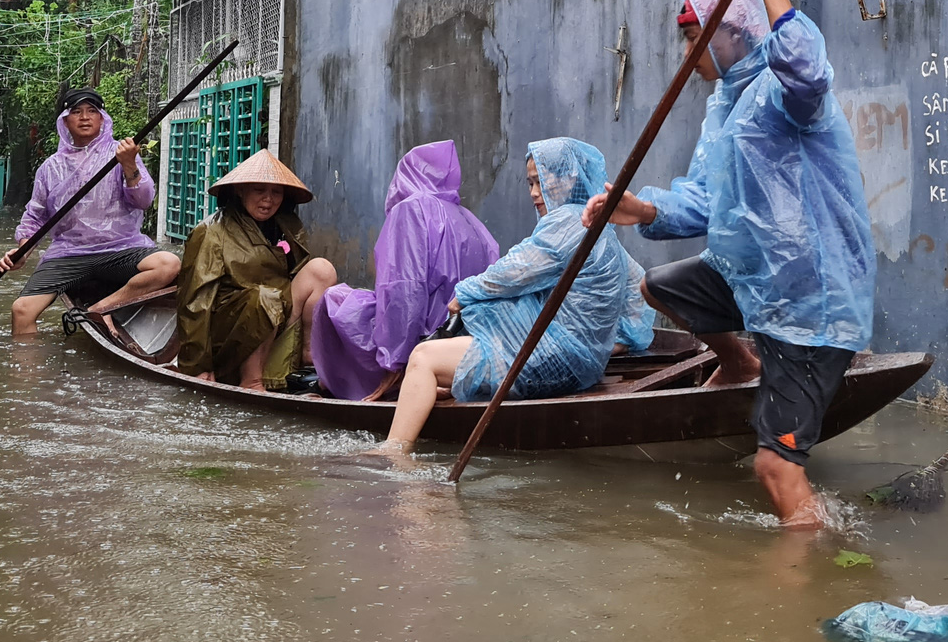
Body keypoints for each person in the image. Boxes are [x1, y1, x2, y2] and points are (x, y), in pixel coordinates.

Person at [585, 0, 875, 528]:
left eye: (696, 38)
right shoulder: (725, 105)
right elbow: (706, 199)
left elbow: (808, 71)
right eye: (686, 40)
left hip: (806, 303)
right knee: (659, 285)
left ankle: (801, 589)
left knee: (775, 469)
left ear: (735, 30)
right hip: (752, 281)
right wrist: (639, 209)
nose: (688, 54)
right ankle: (742, 363)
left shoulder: (781, 85)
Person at [374, 138, 651, 454]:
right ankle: (445, 383)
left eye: (541, 181)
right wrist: (605, 344)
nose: (534, 193)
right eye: (530, 183)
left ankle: (393, 453)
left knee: (423, 358)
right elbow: (637, 288)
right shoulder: (600, 227)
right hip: (583, 364)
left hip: (555, 359)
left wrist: (463, 294)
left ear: (570, 178)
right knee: (447, 358)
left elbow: (515, 271)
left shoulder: (569, 222)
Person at [309, 141, 501, 401]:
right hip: (462, 338)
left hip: (421, 339)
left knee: (333, 300)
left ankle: (342, 384)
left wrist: (394, 362)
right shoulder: (472, 221)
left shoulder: (410, 210)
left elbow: (404, 291)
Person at [0, 89, 180, 335]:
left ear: (102, 118)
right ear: (64, 120)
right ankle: (28, 374)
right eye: (76, 111)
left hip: (120, 248)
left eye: (92, 111)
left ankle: (99, 309)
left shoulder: (121, 153)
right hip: (69, 254)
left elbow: (144, 200)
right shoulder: (50, 168)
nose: (85, 117)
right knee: (21, 310)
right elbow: (36, 218)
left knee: (169, 264)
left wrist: (128, 164)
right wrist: (22, 252)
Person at [173, 150, 339, 389]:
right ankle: (252, 381)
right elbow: (195, 301)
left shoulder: (286, 225)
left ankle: (309, 358)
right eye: (259, 190)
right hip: (230, 329)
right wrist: (198, 366)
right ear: (241, 191)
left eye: (276, 192)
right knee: (266, 297)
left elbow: (298, 273)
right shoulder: (211, 231)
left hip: (276, 314)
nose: (268, 200)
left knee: (322, 269)